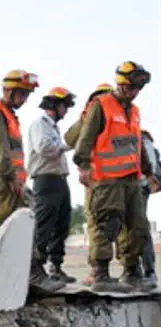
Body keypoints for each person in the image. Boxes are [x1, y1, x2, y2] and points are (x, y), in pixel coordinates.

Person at [0, 69, 65, 294]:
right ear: (8, 91)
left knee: (26, 225)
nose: (25, 100)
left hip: (12, 180)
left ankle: (21, 275)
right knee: (20, 228)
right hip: (4, 181)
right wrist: (12, 180)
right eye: (22, 94)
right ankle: (31, 276)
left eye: (27, 95)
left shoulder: (8, 115)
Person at [73, 61, 153, 292]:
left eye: (139, 89)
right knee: (107, 224)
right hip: (107, 179)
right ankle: (102, 274)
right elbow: (85, 139)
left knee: (136, 226)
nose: (136, 93)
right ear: (123, 85)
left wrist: (148, 171)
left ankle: (132, 272)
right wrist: (84, 167)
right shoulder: (102, 105)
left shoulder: (134, 112)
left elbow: (136, 143)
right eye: (133, 88)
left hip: (131, 179)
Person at [63, 83, 114, 281]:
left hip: (105, 179)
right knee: (105, 223)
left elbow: (70, 139)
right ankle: (99, 270)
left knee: (101, 223)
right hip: (105, 179)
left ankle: (98, 270)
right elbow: (70, 138)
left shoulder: (107, 116)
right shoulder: (115, 116)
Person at [27, 87, 77, 283]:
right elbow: (43, 148)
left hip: (59, 179)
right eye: (65, 106)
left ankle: (55, 267)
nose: (66, 110)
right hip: (46, 180)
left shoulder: (54, 127)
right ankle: (36, 270)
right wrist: (67, 146)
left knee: (61, 225)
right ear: (54, 105)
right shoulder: (40, 124)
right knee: (44, 226)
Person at [116, 130, 161, 287]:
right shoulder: (150, 145)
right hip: (142, 188)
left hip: (136, 188)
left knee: (136, 228)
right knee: (137, 228)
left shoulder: (138, 140)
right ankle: (141, 271)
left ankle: (143, 271)